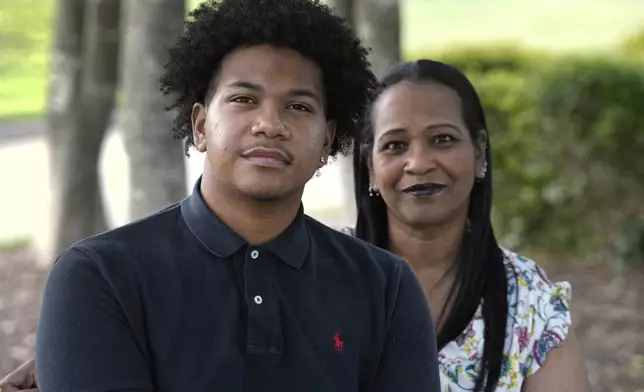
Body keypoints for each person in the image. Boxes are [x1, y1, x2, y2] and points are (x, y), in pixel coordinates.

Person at [22, 0, 442, 391]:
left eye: (298, 107)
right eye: (244, 99)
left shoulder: (385, 287)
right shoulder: (99, 277)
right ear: (201, 126)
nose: (270, 124)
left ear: (327, 139)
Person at [346, 59, 590, 391]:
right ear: (370, 168)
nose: (418, 163)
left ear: (479, 154)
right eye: (395, 145)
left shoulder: (529, 301)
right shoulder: (316, 277)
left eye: (442, 139)